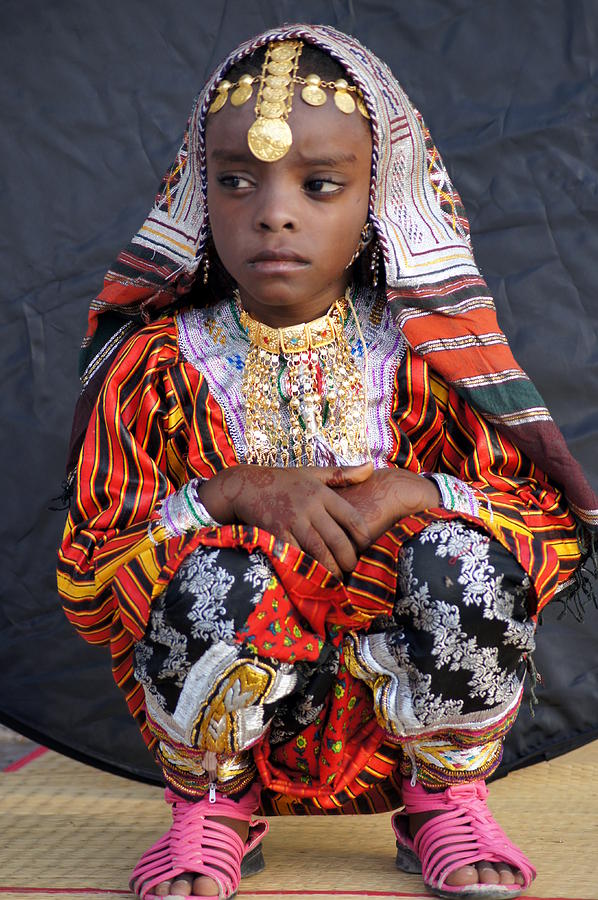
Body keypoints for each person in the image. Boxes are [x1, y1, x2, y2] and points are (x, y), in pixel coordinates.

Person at [57, 23, 597, 900]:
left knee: (466, 564)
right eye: (236, 181)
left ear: (379, 196)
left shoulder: (427, 357)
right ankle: (213, 811)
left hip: (398, 702)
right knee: (216, 582)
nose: (275, 212)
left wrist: (421, 490)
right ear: (199, 194)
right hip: (224, 711)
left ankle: (442, 801)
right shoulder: (155, 367)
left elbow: (547, 531)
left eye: (319, 184)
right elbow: (90, 574)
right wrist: (221, 496)